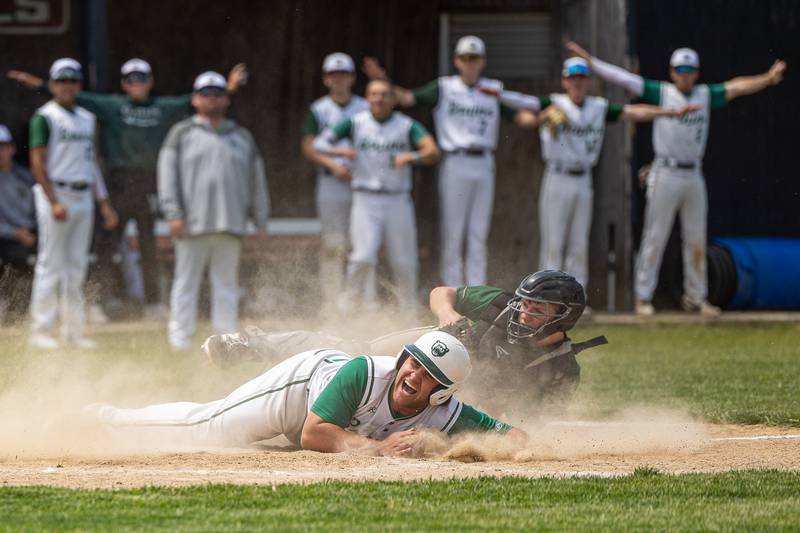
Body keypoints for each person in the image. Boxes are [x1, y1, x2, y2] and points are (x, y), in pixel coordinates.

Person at [8, 60, 247, 317]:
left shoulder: (160, 108)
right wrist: (34, 82)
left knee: (148, 245)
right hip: (118, 183)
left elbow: (197, 100)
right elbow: (75, 95)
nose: (137, 83)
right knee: (107, 245)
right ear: (123, 83)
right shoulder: (113, 106)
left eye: (142, 78)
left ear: (150, 81)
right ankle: (102, 302)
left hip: (148, 183)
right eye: (131, 78)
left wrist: (230, 88)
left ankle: (153, 303)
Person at [565, 41, 787, 316]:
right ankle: (643, 296)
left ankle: (696, 297)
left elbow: (736, 86)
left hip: (693, 172)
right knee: (655, 236)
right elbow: (623, 78)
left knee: (696, 238)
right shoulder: (662, 92)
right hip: (666, 171)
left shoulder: (704, 94)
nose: (684, 74)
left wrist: (767, 78)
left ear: (696, 72)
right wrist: (591, 61)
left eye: (689, 70)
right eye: (680, 69)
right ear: (672, 72)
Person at [203, 270, 605, 410]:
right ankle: (253, 346)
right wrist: (449, 316)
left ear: (564, 317)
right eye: (524, 304)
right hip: (432, 348)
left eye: (537, 309)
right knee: (348, 352)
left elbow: (537, 419)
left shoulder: (563, 367)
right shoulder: (499, 303)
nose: (523, 313)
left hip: (458, 397)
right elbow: (441, 292)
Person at [89, 331, 525, 454]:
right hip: (299, 391)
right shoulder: (366, 373)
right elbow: (313, 435)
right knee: (211, 427)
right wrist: (379, 450)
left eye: (429, 374)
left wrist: (476, 447)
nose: (413, 373)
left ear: (442, 393)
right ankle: (105, 418)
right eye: (413, 360)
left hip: (329, 415)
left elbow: (512, 438)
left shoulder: (447, 415)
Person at [483, 58, 698, 294]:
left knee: (579, 242)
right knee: (554, 242)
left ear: (588, 82)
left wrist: (670, 112)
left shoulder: (597, 106)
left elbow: (632, 112)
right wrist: (500, 94)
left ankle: (576, 297)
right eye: (573, 78)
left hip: (584, 177)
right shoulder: (555, 103)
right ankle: (546, 298)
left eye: (582, 78)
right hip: (558, 175)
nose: (577, 83)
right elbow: (524, 102)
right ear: (565, 81)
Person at [362, 36, 531, 288]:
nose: (470, 63)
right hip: (456, 161)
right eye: (465, 58)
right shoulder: (444, 87)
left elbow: (519, 116)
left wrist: (542, 116)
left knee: (478, 234)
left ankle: (477, 291)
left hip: (484, 162)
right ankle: (454, 291)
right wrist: (383, 79)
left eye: (474, 58)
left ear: (482, 62)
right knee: (453, 233)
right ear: (456, 61)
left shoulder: (491, 89)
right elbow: (407, 98)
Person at [157, 71, 270, 352]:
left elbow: (257, 180)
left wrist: (261, 219)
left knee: (226, 285)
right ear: (195, 99)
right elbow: (166, 176)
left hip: (230, 223)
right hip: (191, 224)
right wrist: (173, 213)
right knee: (185, 283)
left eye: (217, 94)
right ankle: (179, 340)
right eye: (205, 94)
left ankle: (226, 343)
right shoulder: (181, 133)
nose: (211, 99)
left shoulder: (242, 136)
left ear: (226, 99)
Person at [312, 79, 440, 311]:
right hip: (365, 197)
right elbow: (319, 143)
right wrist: (337, 151)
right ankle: (347, 307)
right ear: (368, 98)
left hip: (397, 198)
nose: (379, 99)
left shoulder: (405, 125)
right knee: (362, 256)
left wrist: (411, 157)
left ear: (393, 99)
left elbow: (431, 151)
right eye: (373, 94)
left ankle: (407, 310)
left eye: (384, 95)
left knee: (404, 261)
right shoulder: (355, 123)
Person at [27, 59, 119, 350]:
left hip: (83, 195)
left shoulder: (87, 118)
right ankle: (40, 330)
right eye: (61, 80)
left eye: (72, 81)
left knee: (76, 266)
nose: (67, 86)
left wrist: (103, 203)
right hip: (56, 193)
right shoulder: (44, 117)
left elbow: (90, 164)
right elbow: (37, 163)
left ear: (79, 85)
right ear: (52, 84)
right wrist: (53, 200)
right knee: (50, 264)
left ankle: (73, 332)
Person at [301, 53, 374, 311]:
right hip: (331, 181)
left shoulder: (366, 106)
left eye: (343, 75)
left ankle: (361, 301)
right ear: (326, 79)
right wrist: (333, 165)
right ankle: (330, 301)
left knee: (363, 244)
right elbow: (309, 147)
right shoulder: (319, 109)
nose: (339, 80)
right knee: (332, 243)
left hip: (361, 182)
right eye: (333, 75)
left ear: (352, 78)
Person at [0, 125, 36, 322]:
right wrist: (14, 233)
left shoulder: (26, 177)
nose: (0, 152)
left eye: (3, 146)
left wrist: (30, 231)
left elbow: (37, 211)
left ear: (12, 148)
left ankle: (18, 315)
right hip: (6, 237)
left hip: (26, 235)